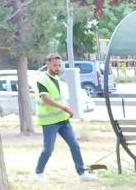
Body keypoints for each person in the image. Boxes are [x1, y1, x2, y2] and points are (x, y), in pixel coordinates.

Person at [33, 53, 96, 182]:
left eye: (59, 65)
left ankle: (81, 173)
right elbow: (45, 99)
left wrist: (65, 110)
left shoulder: (57, 79)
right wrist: (63, 108)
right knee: (48, 149)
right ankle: (38, 173)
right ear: (47, 64)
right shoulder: (41, 79)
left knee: (74, 145)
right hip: (49, 121)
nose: (57, 68)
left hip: (63, 119)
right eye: (55, 65)